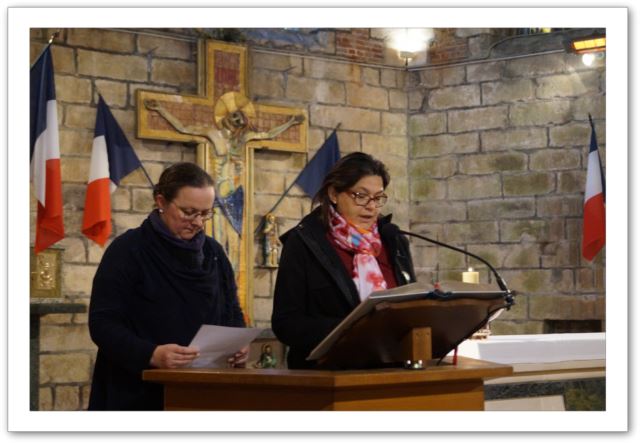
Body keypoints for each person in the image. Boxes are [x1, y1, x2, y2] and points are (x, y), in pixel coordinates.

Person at [88, 162, 248, 410]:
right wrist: (151, 354)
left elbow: (232, 312)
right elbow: (103, 324)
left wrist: (237, 345)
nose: (198, 222)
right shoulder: (128, 249)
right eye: (189, 212)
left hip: (204, 391)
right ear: (161, 201)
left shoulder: (214, 252)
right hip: (136, 392)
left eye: (206, 213)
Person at [271, 152, 416, 369]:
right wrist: (353, 330)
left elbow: (410, 309)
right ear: (334, 194)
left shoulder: (393, 240)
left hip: (393, 368)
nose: (371, 206)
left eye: (378, 198)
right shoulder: (304, 243)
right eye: (361, 196)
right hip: (328, 373)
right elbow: (286, 324)